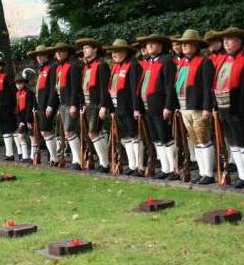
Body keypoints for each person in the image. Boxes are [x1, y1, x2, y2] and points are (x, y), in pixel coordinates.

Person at [212, 27, 244, 191]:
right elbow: (216, 84)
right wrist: (215, 106)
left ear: (239, 41)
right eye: (224, 39)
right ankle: (241, 176)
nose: (226, 42)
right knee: (233, 144)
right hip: (224, 108)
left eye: (230, 39)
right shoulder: (223, 59)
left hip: (239, 108)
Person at [174, 30, 216, 184]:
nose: (184, 46)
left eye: (188, 43)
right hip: (185, 106)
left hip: (198, 106)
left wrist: (207, 107)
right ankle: (202, 171)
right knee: (195, 140)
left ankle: (209, 174)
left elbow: (207, 87)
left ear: (196, 45)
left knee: (203, 139)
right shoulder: (182, 62)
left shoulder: (204, 62)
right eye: (183, 44)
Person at [135, 34, 178, 180]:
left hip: (161, 106)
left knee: (166, 137)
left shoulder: (166, 61)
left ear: (160, 46)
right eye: (148, 44)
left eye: (153, 44)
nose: (150, 46)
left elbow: (169, 86)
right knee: (156, 138)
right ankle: (165, 169)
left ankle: (174, 169)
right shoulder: (148, 63)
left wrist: (168, 106)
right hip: (148, 107)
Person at [104, 39, 143, 175]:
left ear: (125, 52)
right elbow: (110, 88)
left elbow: (135, 89)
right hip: (118, 107)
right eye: (113, 51)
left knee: (134, 136)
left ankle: (139, 166)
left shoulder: (133, 66)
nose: (114, 54)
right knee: (126, 137)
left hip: (129, 108)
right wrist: (111, 109)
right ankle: (132, 166)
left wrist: (136, 108)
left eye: (118, 51)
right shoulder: (116, 67)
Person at [76, 37, 111, 172]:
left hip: (96, 104)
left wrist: (103, 106)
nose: (84, 51)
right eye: (83, 49)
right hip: (87, 104)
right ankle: (103, 163)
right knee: (94, 133)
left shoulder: (101, 65)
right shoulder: (85, 67)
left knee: (93, 133)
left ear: (95, 49)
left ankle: (105, 163)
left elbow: (104, 87)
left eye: (87, 48)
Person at [48, 42, 82, 169]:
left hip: (69, 103)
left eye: (61, 51)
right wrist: (52, 106)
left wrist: (74, 104)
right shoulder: (58, 68)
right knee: (67, 133)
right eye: (57, 51)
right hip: (62, 104)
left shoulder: (72, 66)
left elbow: (75, 88)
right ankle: (76, 159)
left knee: (70, 131)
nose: (58, 53)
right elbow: (56, 88)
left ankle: (77, 160)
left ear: (67, 53)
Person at [28, 45, 58, 165]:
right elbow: (37, 90)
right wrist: (35, 105)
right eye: (37, 56)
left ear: (47, 56)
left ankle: (55, 158)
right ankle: (53, 157)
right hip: (40, 105)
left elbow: (53, 88)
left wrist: (50, 105)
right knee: (44, 131)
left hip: (48, 104)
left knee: (46, 131)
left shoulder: (52, 68)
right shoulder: (41, 70)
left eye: (41, 55)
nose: (39, 58)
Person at [15, 76, 36, 163]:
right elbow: (18, 108)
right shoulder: (17, 94)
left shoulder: (29, 93)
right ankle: (25, 156)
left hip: (29, 118)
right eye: (17, 84)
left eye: (20, 83)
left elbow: (30, 107)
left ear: (24, 83)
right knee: (20, 136)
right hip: (21, 119)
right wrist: (20, 121)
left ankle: (33, 157)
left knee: (32, 137)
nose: (18, 85)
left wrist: (28, 120)